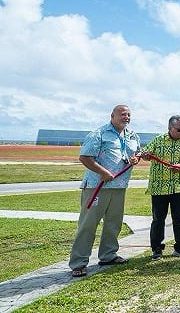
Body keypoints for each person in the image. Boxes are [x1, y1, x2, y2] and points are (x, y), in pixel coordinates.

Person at [69, 104, 141, 277]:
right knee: (88, 224)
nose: (126, 117)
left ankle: (108, 255)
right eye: (122, 114)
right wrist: (102, 172)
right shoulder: (99, 134)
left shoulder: (132, 135)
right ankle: (79, 263)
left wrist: (135, 159)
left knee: (113, 223)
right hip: (97, 186)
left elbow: (136, 154)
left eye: (128, 115)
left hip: (119, 186)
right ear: (112, 115)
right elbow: (84, 157)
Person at [140, 114, 180, 259]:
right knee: (158, 219)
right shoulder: (158, 140)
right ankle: (157, 249)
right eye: (179, 129)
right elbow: (146, 154)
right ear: (169, 128)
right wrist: (145, 155)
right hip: (159, 187)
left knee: (179, 218)